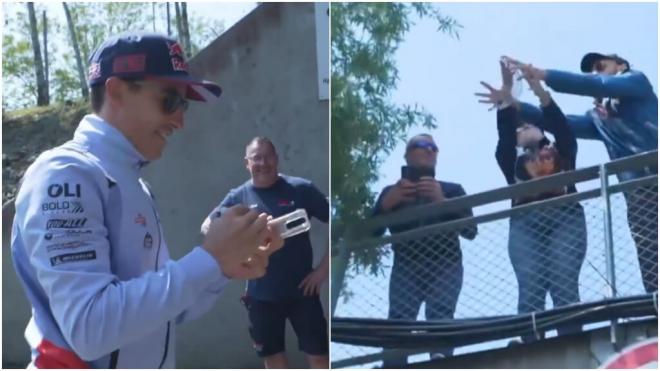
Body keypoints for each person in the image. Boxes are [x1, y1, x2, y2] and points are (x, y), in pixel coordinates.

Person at [10, 32, 283, 368]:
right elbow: (90, 327)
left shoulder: (134, 185)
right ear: (117, 91)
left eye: (183, 105)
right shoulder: (66, 174)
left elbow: (169, 311)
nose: (180, 121)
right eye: (170, 101)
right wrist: (210, 258)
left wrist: (223, 268)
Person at [503, 54, 658, 293]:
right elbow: (559, 124)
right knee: (651, 257)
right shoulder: (598, 118)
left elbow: (597, 85)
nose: (596, 73)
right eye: (591, 71)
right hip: (638, 194)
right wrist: (514, 104)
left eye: (600, 66)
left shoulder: (636, 81)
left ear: (620, 65)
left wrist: (544, 75)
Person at [476, 60, 587, 342]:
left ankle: (570, 340)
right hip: (525, 223)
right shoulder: (510, 159)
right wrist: (507, 96)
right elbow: (503, 135)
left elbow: (560, 126)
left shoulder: (561, 149)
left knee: (564, 283)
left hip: (566, 218)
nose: (523, 127)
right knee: (530, 285)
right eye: (518, 127)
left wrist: (539, 90)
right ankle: (529, 341)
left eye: (528, 123)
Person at [202, 137, 329, 369]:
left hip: (302, 291)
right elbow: (207, 226)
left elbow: (340, 222)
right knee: (273, 360)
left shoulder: (301, 189)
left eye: (268, 156)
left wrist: (322, 271)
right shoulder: (239, 197)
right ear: (247, 163)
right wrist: (243, 231)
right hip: (261, 296)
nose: (263, 162)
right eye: (256, 158)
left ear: (277, 159)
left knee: (320, 357)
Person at [371, 134, 477, 367]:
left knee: (441, 314)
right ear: (407, 155)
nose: (430, 150)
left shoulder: (452, 189)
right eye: (422, 145)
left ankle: (440, 358)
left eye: (434, 147)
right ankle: (393, 364)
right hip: (406, 267)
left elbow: (471, 231)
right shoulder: (391, 192)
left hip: (446, 264)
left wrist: (442, 201)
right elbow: (368, 235)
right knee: (399, 319)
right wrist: (385, 206)